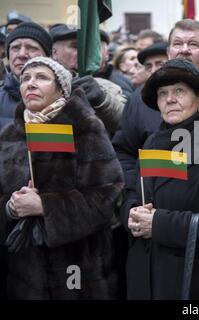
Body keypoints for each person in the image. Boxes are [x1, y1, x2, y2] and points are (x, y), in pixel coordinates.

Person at [121, 58, 199, 299]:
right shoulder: (152, 142)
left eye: (179, 91)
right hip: (147, 274)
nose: (170, 99)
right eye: (163, 93)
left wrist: (158, 224)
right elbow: (135, 193)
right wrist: (132, 213)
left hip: (197, 279)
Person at [0, 57, 124, 299]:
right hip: (22, 270)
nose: (31, 84)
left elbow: (108, 192)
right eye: (26, 79)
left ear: (62, 89)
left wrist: (46, 206)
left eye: (42, 77)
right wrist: (10, 207)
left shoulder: (84, 127)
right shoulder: (10, 134)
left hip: (78, 267)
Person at [112, 19, 199, 206]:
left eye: (193, 44)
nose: (184, 49)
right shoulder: (141, 99)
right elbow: (124, 152)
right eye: (178, 44)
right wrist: (135, 199)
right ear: (169, 53)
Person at [49, 23, 126, 137]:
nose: (83, 53)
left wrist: (102, 100)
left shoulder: (106, 86)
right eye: (75, 46)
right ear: (55, 52)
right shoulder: (36, 82)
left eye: (88, 48)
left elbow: (127, 120)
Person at [0, 22, 52, 132]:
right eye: (15, 48)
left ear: (47, 56)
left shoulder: (63, 99)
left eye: (31, 48)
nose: (22, 54)